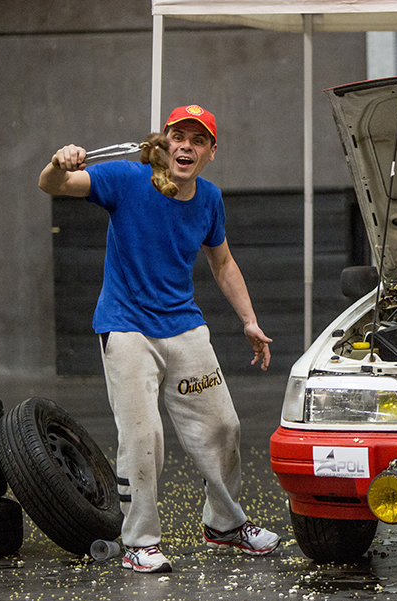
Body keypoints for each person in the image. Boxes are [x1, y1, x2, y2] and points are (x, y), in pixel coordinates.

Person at [38, 105, 281, 574]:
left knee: (223, 426)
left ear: (212, 151)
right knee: (143, 436)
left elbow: (223, 263)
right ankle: (140, 542)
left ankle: (225, 526)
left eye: (198, 140)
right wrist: (58, 162)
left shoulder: (209, 199)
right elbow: (53, 185)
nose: (185, 146)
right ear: (165, 141)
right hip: (126, 327)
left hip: (183, 326)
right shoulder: (126, 179)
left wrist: (249, 320)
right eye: (178, 137)